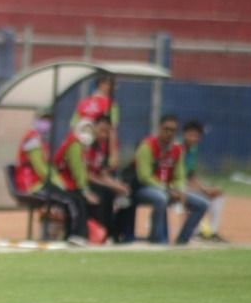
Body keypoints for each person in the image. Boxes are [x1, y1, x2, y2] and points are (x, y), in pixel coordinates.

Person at [14, 108, 88, 243]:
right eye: (43, 119)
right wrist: (57, 182)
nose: (46, 122)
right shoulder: (31, 139)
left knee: (73, 197)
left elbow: (48, 166)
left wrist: (58, 180)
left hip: (41, 183)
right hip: (32, 185)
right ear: (36, 120)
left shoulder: (40, 140)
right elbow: (40, 167)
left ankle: (75, 235)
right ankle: (74, 236)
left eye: (48, 119)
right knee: (68, 200)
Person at [131, 114, 208, 245]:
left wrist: (179, 190)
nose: (169, 133)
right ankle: (157, 241)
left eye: (173, 130)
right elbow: (144, 176)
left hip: (169, 189)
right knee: (161, 198)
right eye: (166, 129)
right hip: (144, 189)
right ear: (159, 128)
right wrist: (167, 189)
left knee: (202, 204)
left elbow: (179, 176)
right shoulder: (147, 146)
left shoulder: (177, 149)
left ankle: (182, 240)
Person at [182, 120, 228, 242]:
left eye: (196, 136)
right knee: (196, 198)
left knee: (217, 194)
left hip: (187, 184)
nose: (193, 138)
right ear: (184, 134)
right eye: (191, 135)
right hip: (177, 185)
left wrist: (205, 188)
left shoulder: (193, 150)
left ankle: (212, 232)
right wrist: (201, 189)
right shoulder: (178, 148)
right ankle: (194, 232)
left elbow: (191, 175)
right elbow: (178, 178)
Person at [74, 73, 119, 167]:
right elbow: (111, 130)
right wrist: (113, 155)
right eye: (112, 84)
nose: (114, 88)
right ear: (102, 84)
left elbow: (73, 127)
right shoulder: (111, 105)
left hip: (81, 149)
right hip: (99, 152)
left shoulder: (83, 103)